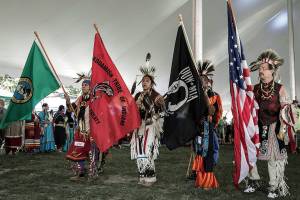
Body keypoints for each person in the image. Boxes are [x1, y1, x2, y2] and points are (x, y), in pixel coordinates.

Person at [244, 49, 296, 198]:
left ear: (272, 71)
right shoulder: (254, 89)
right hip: (257, 127)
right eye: (259, 68)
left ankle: (273, 185)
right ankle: (254, 181)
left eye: (263, 68)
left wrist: (283, 130)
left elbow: (285, 111)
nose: (260, 71)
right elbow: (246, 106)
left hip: (274, 126)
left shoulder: (280, 89)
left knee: (273, 158)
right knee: (251, 155)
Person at [130, 53, 164, 186]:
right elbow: (132, 109)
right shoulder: (138, 95)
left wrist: (159, 107)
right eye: (143, 81)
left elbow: (163, 111)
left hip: (150, 126)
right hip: (139, 126)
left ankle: (151, 176)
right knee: (139, 150)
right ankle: (142, 175)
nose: (144, 82)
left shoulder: (156, 95)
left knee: (147, 148)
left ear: (151, 83)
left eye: (147, 81)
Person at [191, 60, 222, 189]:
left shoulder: (214, 96)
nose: (202, 81)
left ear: (209, 81)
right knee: (199, 153)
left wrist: (212, 124)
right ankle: (199, 178)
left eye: (204, 79)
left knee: (209, 152)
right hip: (198, 129)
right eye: (200, 79)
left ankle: (208, 180)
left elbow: (216, 112)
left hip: (209, 129)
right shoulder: (194, 97)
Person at [65, 78, 105, 180]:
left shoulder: (94, 99)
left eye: (86, 85)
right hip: (80, 132)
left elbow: (101, 114)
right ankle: (80, 172)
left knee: (92, 153)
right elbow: (70, 109)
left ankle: (93, 173)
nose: (83, 86)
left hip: (91, 132)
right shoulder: (79, 99)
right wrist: (68, 101)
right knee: (77, 151)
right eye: (82, 85)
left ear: (90, 87)